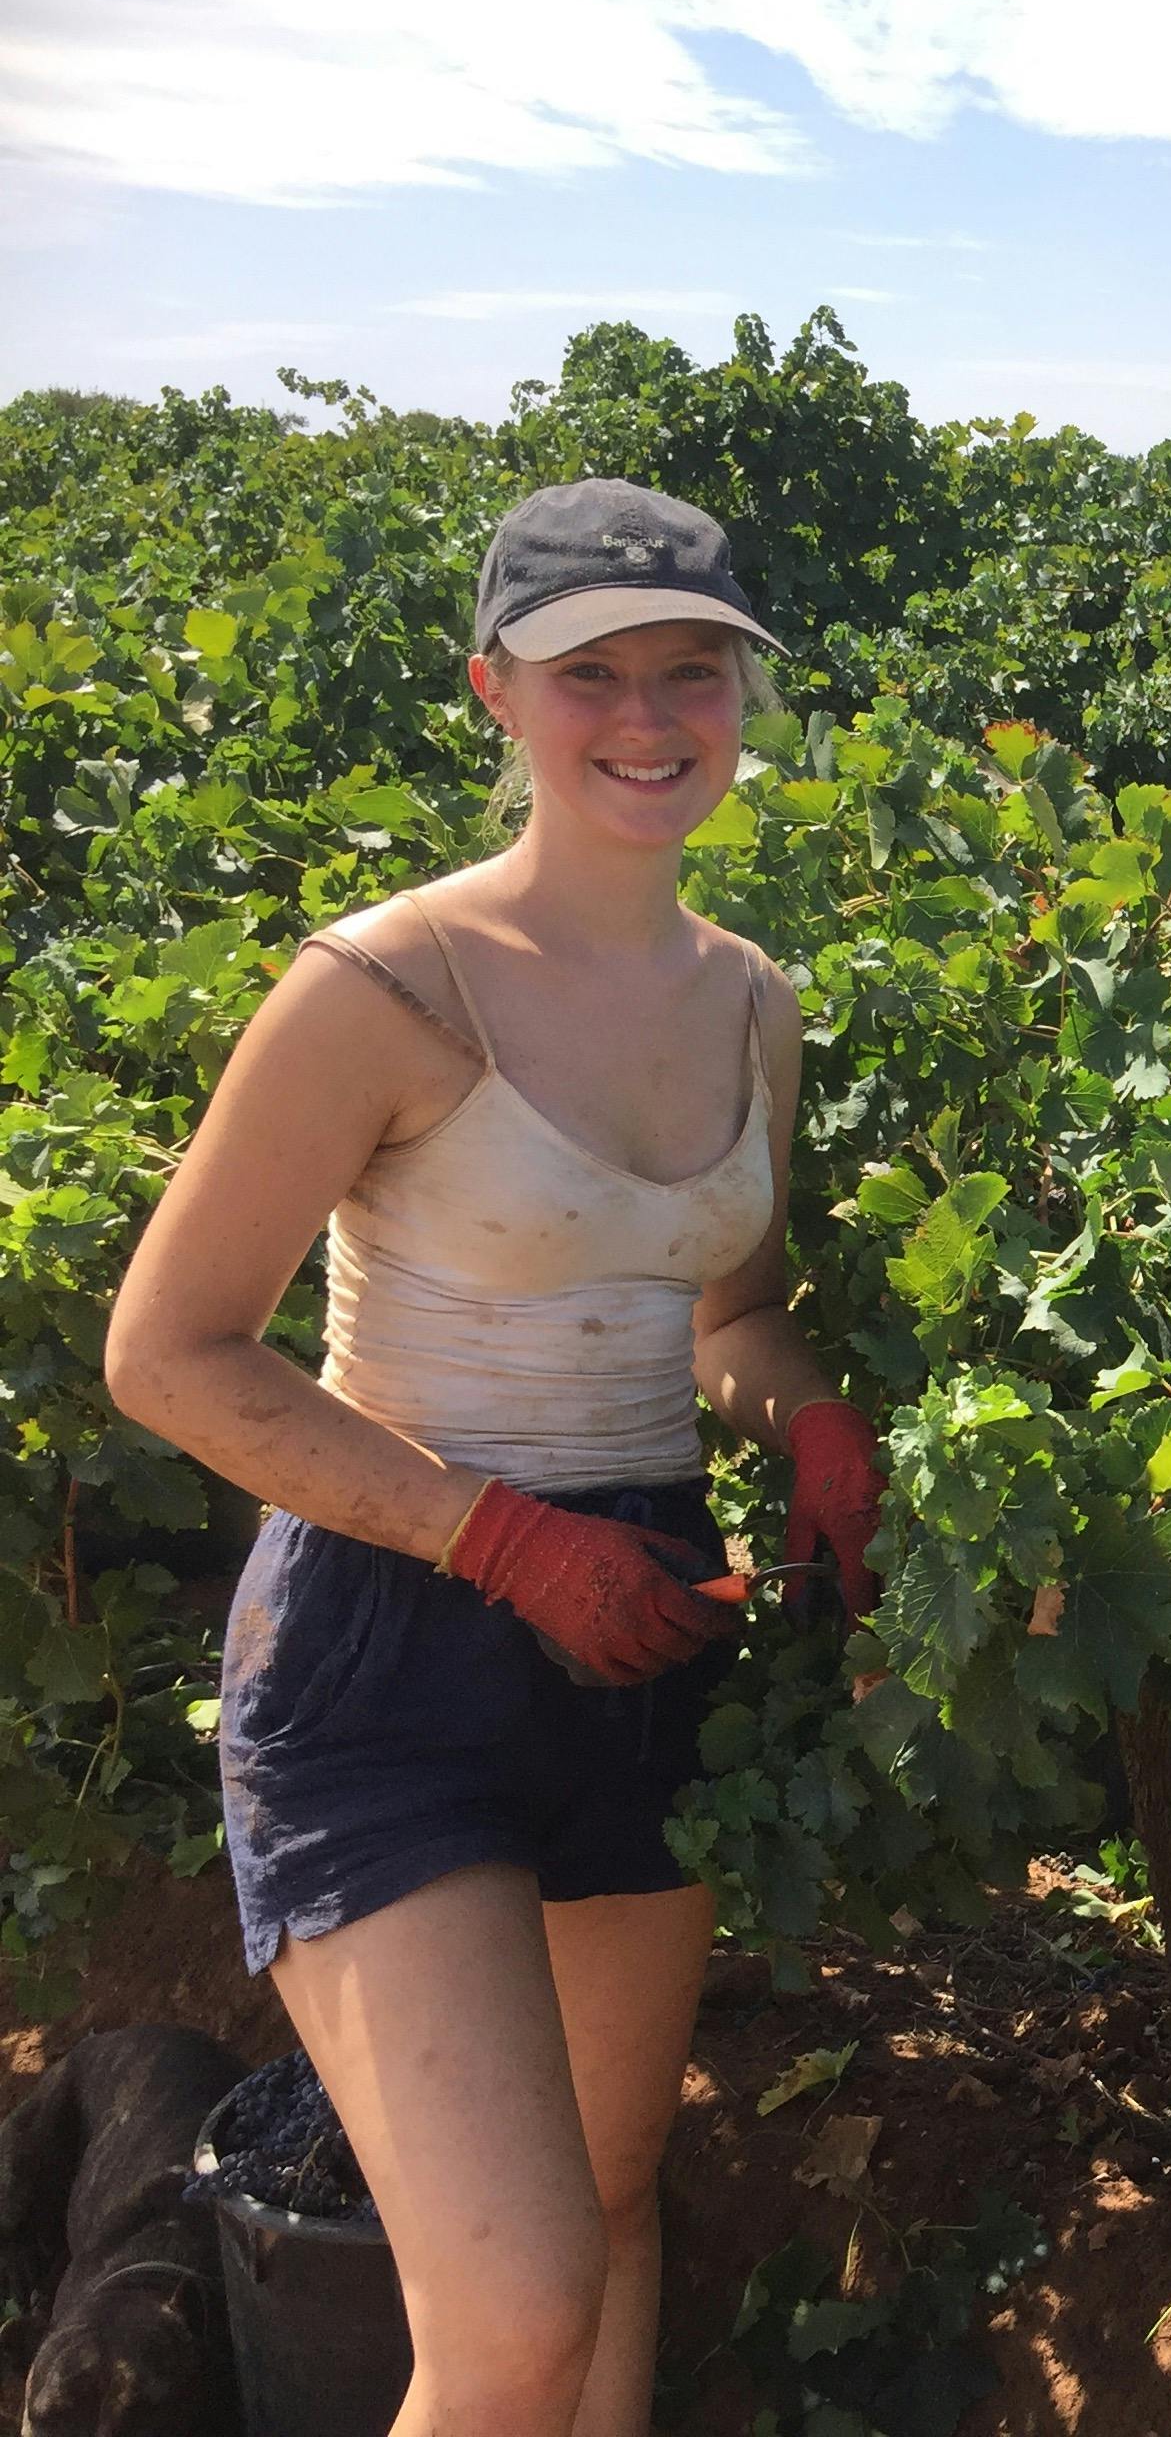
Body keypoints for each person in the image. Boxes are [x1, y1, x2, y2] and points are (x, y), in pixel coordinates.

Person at [104, 479, 887, 2437]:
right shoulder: (384, 987)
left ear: (740, 694)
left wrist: (808, 1418)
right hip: (391, 1637)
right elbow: (167, 1353)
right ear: (496, 694)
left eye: (690, 670)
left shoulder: (752, 1004)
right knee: (519, 2310)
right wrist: (501, 1541)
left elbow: (723, 1316)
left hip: (641, 1631)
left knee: (612, 2210)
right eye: (589, 674)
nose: (648, 717)